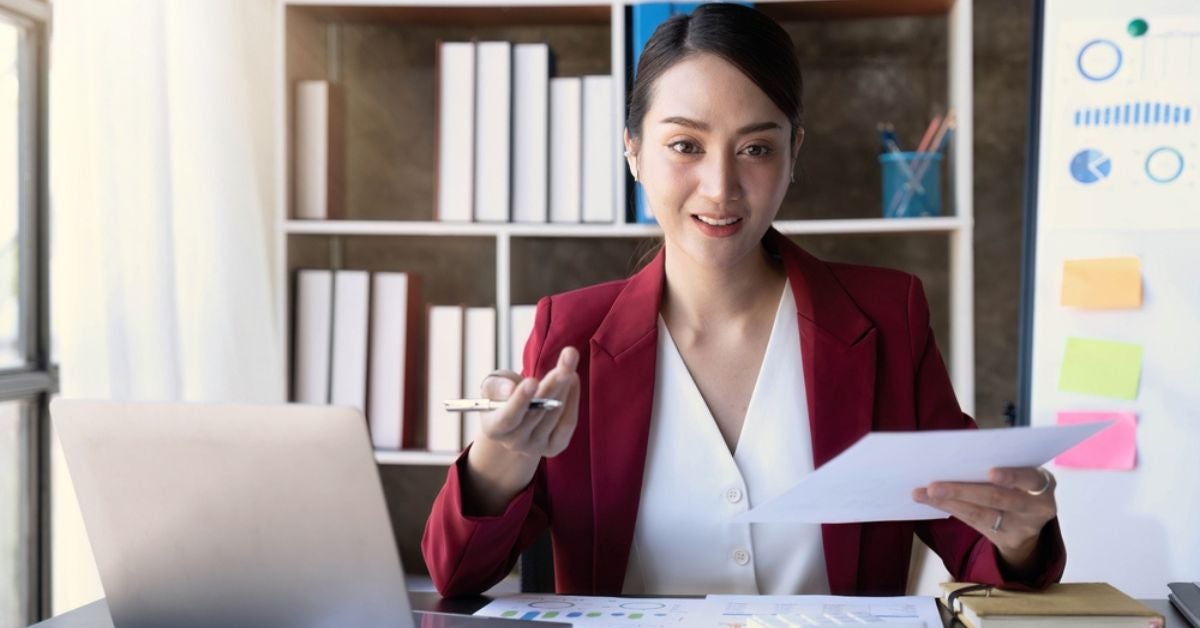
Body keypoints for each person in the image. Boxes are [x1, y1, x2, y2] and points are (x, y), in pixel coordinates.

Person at [422, 2, 1064, 598]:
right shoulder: (572, 332)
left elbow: (974, 541)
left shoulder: (887, 315)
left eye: (756, 148)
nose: (720, 186)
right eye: (685, 146)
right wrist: (502, 457)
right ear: (634, 152)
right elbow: (457, 576)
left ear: (793, 156)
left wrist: (1020, 533)